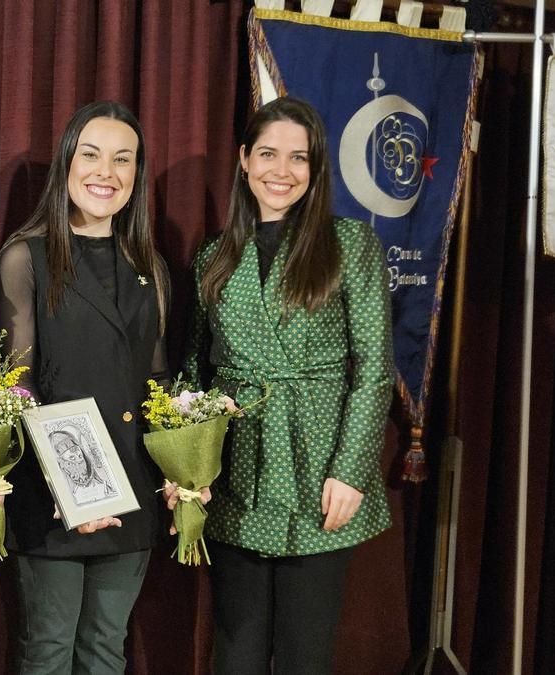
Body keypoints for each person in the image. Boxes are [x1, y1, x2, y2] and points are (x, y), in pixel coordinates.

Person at [182, 96, 393, 674]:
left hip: (318, 472)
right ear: (243, 160)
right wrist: (189, 468)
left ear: (316, 167)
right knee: (237, 651)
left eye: (298, 158)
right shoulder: (214, 257)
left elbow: (374, 366)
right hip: (236, 476)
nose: (282, 171)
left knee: (306, 654)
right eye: (268, 154)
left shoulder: (351, 245)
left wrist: (350, 470)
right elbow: (193, 371)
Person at [0, 100, 201, 674]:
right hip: (53, 495)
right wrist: (73, 489)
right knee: (50, 649)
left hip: (130, 490)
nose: (104, 173)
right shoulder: (26, 257)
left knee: (107, 648)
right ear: (67, 163)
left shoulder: (150, 266)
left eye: (122, 159)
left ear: (136, 175)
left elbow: (157, 378)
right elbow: (19, 387)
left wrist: (185, 470)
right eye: (90, 155)